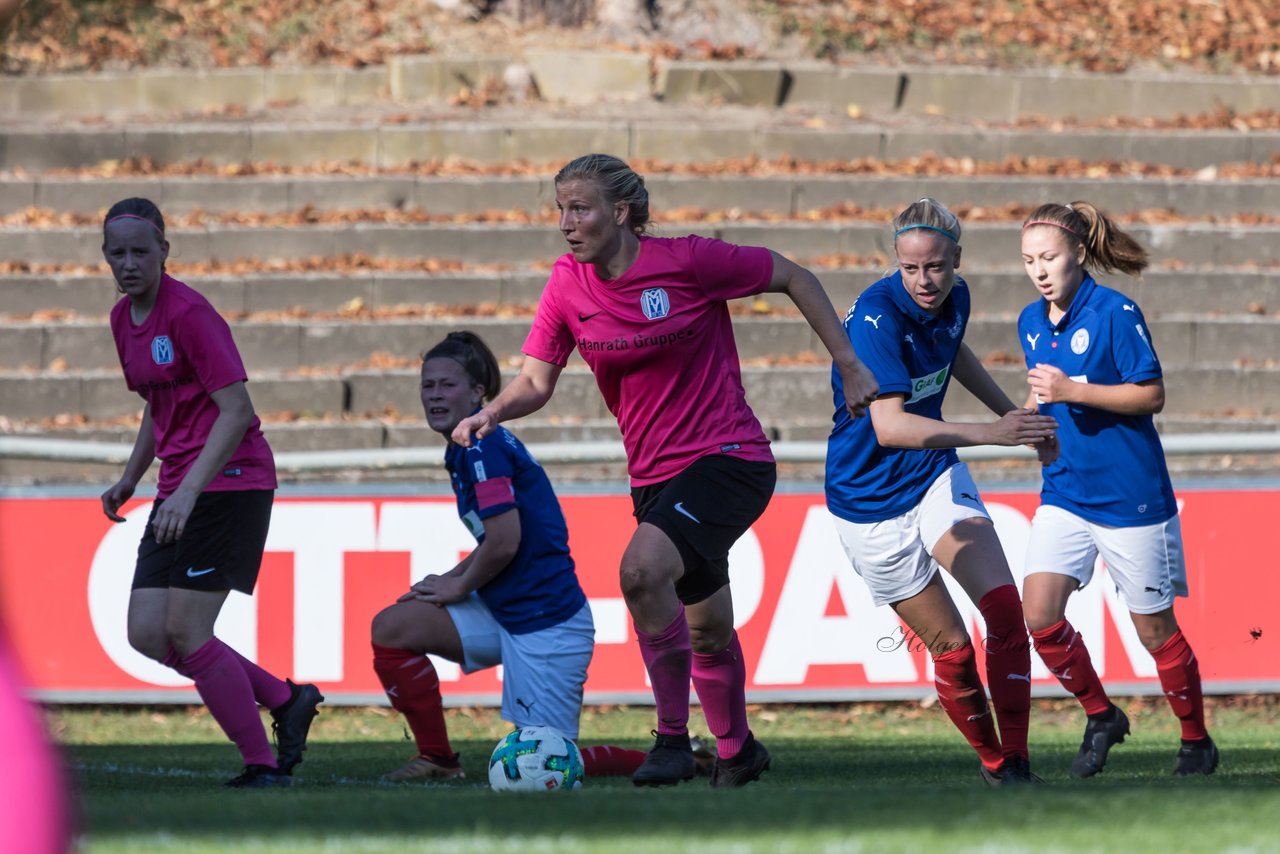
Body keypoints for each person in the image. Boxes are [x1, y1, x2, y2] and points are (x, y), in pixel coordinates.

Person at [452, 153, 880, 788]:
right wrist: (493, 411)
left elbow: (794, 275)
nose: (567, 222)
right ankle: (737, 750)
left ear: (620, 212)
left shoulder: (687, 261)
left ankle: (674, 741)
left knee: (641, 571)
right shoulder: (567, 284)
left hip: (728, 457)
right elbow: (537, 381)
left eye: (580, 208)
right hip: (655, 478)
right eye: (561, 209)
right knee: (706, 631)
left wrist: (848, 363)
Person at [825, 198, 1058, 786]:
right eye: (910, 269)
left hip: (932, 476)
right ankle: (993, 763)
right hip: (868, 502)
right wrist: (995, 433)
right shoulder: (875, 320)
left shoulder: (957, 297)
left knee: (1005, 609)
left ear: (956, 259)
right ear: (895, 264)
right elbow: (890, 428)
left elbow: (954, 355)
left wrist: (1014, 416)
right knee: (952, 650)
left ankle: (1021, 760)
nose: (925, 281)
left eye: (935, 267)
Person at [99, 198, 323, 789]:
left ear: (164, 253)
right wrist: (132, 476)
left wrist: (187, 492)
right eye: (117, 253)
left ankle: (263, 766)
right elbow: (160, 401)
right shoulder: (123, 320)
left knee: (187, 634)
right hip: (181, 486)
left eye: (140, 251)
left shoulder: (191, 314)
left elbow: (236, 410)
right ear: (105, 257)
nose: (129, 263)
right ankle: (283, 697)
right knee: (147, 633)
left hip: (230, 482)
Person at [371, 331, 659, 782]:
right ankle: (437, 760)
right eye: (427, 385)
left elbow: (505, 541)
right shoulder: (465, 446)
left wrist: (457, 585)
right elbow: (496, 539)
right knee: (393, 627)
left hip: (547, 623)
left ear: (478, 393)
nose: (434, 395)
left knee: (547, 761)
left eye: (447, 385)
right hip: (504, 609)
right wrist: (451, 579)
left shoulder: (483, 446)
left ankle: (671, 759)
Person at [1017, 202, 1218, 777]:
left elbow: (1149, 395)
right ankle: (1101, 715)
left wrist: (1072, 391)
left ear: (1079, 253)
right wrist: (1027, 419)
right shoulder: (1031, 320)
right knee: (1039, 616)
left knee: (1154, 630)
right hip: (1064, 492)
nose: (1040, 270)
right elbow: (1044, 391)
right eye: (1030, 260)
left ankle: (1196, 741)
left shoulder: (1115, 312)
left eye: (1049, 257)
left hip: (1130, 498)